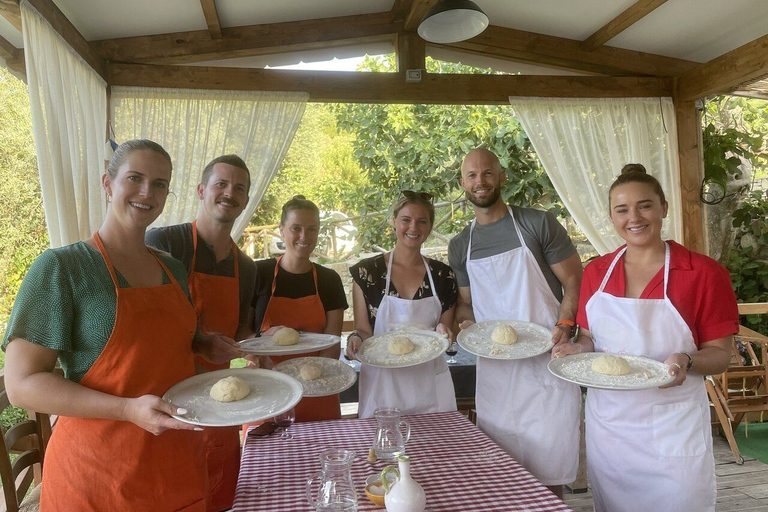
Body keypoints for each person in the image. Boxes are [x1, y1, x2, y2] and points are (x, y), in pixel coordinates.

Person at [2, 139, 242, 512]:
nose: (148, 192)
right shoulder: (62, 268)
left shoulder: (171, 268)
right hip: (98, 473)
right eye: (135, 178)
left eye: (160, 183)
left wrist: (203, 344)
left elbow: (172, 342)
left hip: (174, 464)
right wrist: (127, 409)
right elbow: (21, 386)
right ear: (108, 183)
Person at [552, 164, 737, 512]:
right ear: (611, 216)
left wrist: (687, 360)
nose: (633, 217)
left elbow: (720, 354)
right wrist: (574, 349)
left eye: (645, 205)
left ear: (663, 207)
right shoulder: (596, 272)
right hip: (612, 431)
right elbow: (591, 338)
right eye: (622, 209)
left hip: (674, 428)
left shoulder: (704, 273)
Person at [448, 147, 583, 498]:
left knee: (549, 471)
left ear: (501, 176)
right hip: (497, 375)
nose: (481, 182)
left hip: (546, 367)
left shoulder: (537, 224)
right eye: (473, 175)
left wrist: (565, 324)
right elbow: (466, 305)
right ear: (463, 183)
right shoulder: (461, 245)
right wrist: (466, 327)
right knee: (502, 475)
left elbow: (574, 282)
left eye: (488, 173)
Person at [145, 154, 256, 512]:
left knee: (220, 488)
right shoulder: (166, 242)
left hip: (222, 399)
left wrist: (252, 350)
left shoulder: (246, 267)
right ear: (201, 190)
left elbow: (241, 327)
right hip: (167, 391)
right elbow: (146, 320)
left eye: (239, 188)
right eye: (221, 184)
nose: (229, 193)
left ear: (246, 199)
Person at [346, 191, 458, 418]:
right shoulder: (368, 272)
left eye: (422, 221)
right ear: (394, 221)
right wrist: (355, 338)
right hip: (382, 386)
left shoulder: (442, 275)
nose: (413, 227)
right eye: (406, 219)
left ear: (430, 226)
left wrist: (444, 332)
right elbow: (363, 329)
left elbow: (445, 330)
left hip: (429, 384)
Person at [250, 195, 348, 421]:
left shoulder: (328, 279)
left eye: (312, 229)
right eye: (296, 228)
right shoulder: (259, 273)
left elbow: (333, 343)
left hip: (318, 386)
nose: (304, 237)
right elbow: (240, 333)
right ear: (281, 230)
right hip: (268, 387)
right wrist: (263, 338)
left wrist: (309, 381)